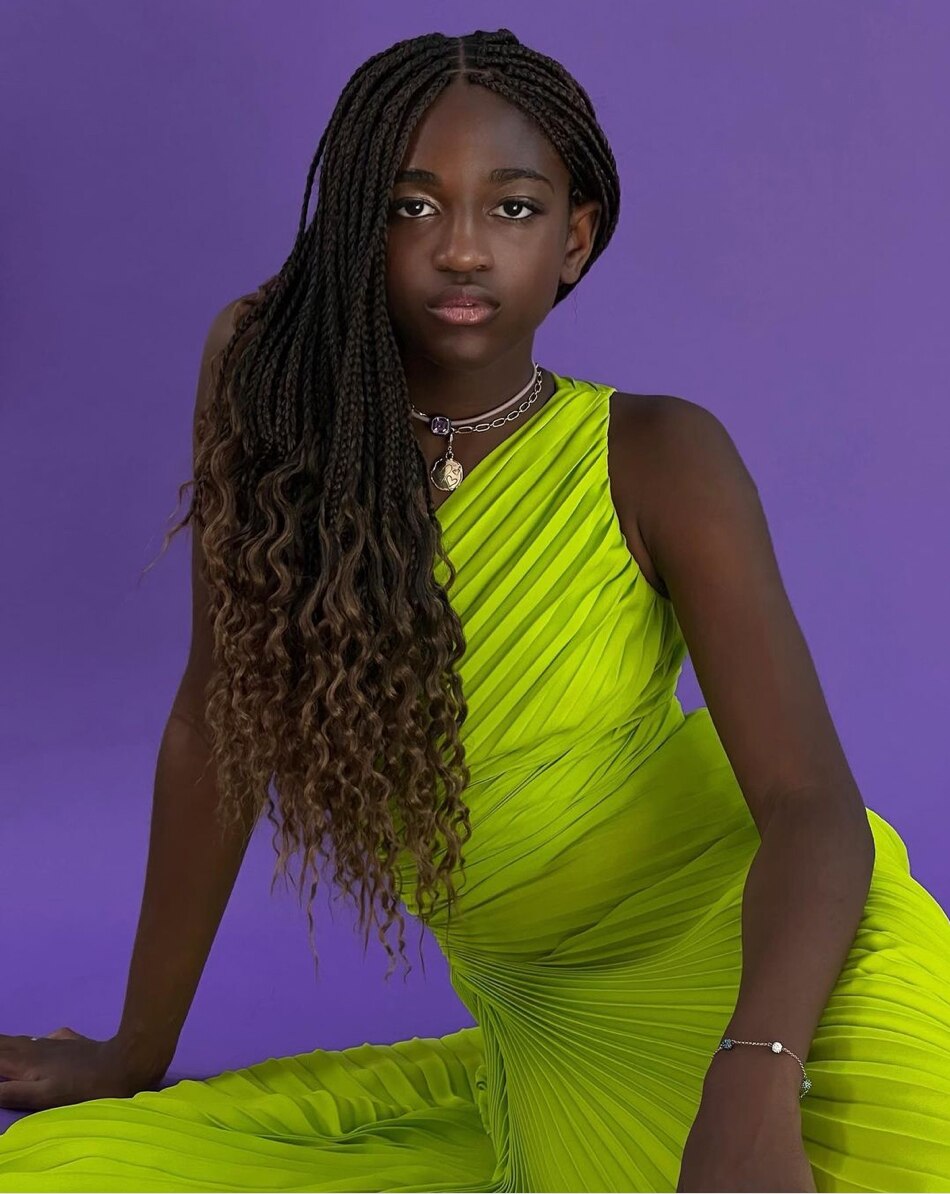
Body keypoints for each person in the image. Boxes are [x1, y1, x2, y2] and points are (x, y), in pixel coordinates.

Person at [1, 26, 949, 1194]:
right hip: (546, 1010)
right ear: (356, 221)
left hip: (770, 984)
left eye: (509, 209)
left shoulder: (656, 456)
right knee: (60, 1171)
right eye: (410, 206)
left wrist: (753, 1075)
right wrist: (132, 1052)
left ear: (573, 238)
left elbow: (813, 810)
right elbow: (217, 721)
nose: (458, 250)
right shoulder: (270, 388)